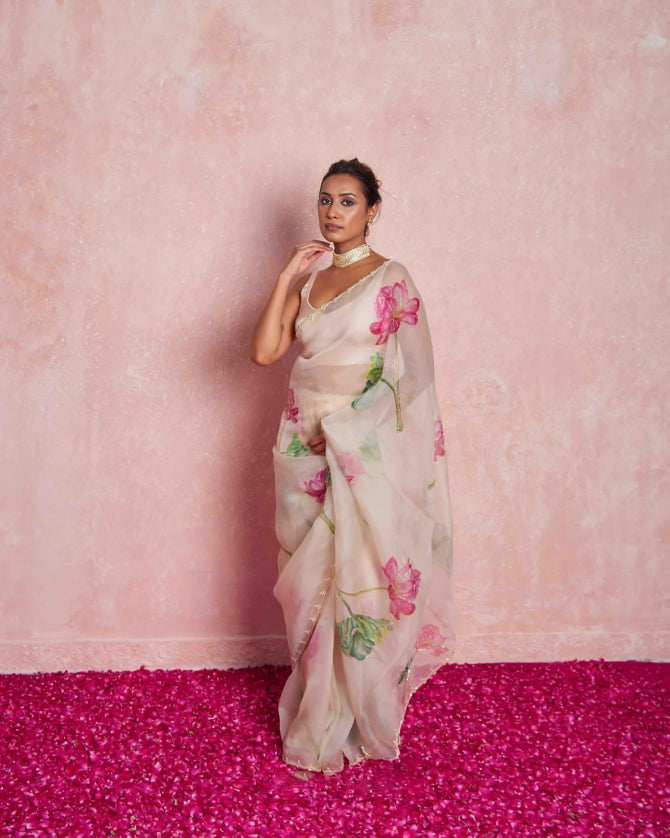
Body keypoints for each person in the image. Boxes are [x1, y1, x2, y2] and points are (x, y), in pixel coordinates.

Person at [251, 158, 454, 773]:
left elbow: (415, 377)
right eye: (325, 200)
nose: (333, 212)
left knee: (354, 576)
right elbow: (265, 353)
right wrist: (287, 275)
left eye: (346, 201)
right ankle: (318, 702)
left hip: (356, 449)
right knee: (305, 580)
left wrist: (348, 433)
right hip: (300, 444)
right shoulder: (310, 283)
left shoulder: (392, 277)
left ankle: (340, 718)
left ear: (372, 210)